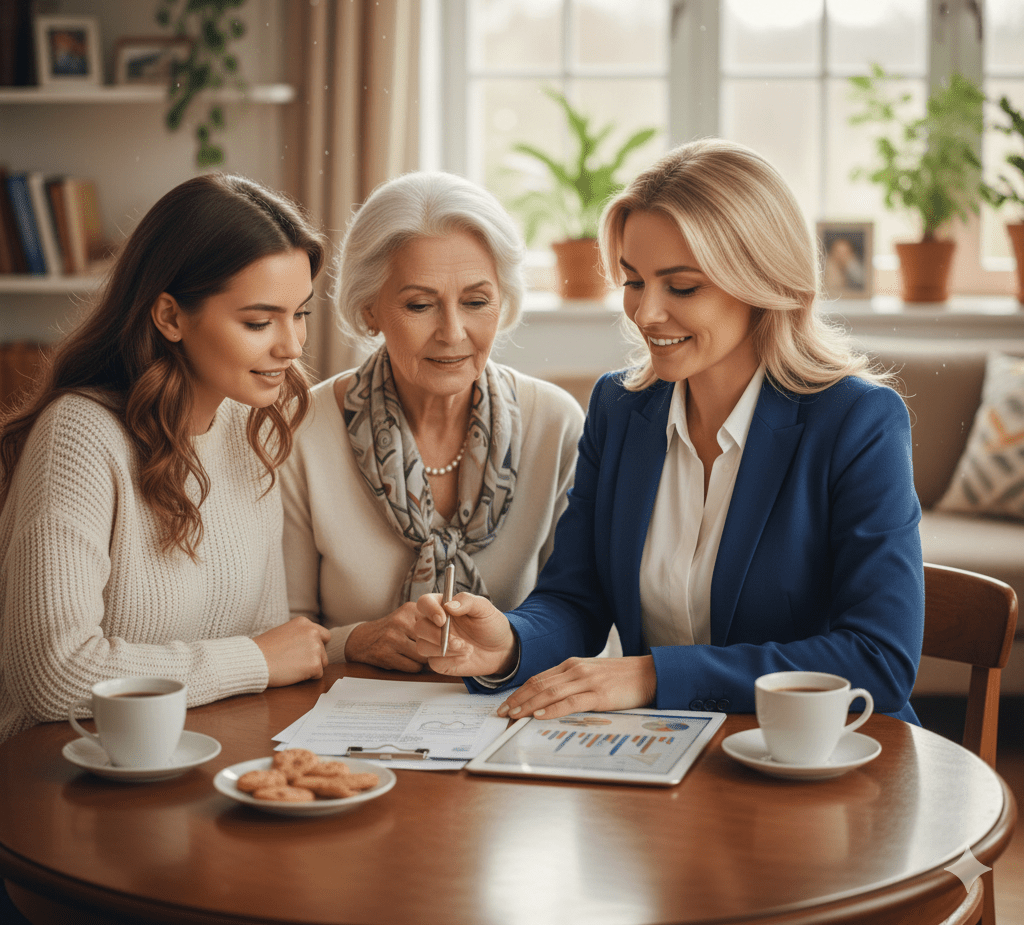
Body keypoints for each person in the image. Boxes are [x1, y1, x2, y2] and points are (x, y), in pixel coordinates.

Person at [413, 140, 925, 723]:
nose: (647, 313)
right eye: (634, 281)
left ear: (761, 282)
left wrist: (654, 674)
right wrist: (509, 642)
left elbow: (880, 660)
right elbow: (576, 599)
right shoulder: (619, 409)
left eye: (682, 287)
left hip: (821, 768)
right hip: (663, 760)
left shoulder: (857, 422)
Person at [0, 173, 332, 745]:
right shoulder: (79, 437)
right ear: (170, 317)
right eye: (259, 322)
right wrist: (253, 660)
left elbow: (268, 642)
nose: (292, 346)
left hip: (196, 756)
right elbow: (51, 675)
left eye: (299, 313)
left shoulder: (250, 424)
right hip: (61, 775)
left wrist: (351, 640)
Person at [281, 171, 585, 672]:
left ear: (503, 302)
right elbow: (282, 627)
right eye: (419, 305)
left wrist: (510, 640)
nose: (452, 332)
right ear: (368, 309)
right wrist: (355, 641)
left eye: (476, 302)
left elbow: (575, 612)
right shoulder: (304, 430)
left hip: (506, 708)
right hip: (346, 714)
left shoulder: (555, 424)